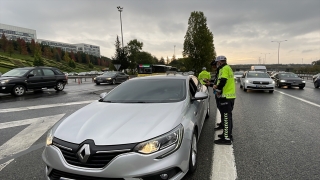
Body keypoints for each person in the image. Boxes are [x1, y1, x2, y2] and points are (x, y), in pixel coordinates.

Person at [212, 55, 236, 145]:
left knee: (226, 118)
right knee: (227, 118)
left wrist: (217, 88)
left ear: (219, 62)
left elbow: (223, 81)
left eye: (217, 63)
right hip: (229, 96)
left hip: (226, 96)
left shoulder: (224, 68)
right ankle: (227, 135)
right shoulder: (227, 68)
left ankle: (226, 139)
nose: (216, 64)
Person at [210, 60, 223, 130]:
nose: (213, 67)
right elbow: (216, 81)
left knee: (221, 109)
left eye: (213, 66)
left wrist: (210, 84)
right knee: (219, 108)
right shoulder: (218, 71)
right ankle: (222, 123)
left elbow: (219, 83)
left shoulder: (220, 71)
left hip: (220, 92)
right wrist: (210, 82)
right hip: (217, 92)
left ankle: (223, 124)